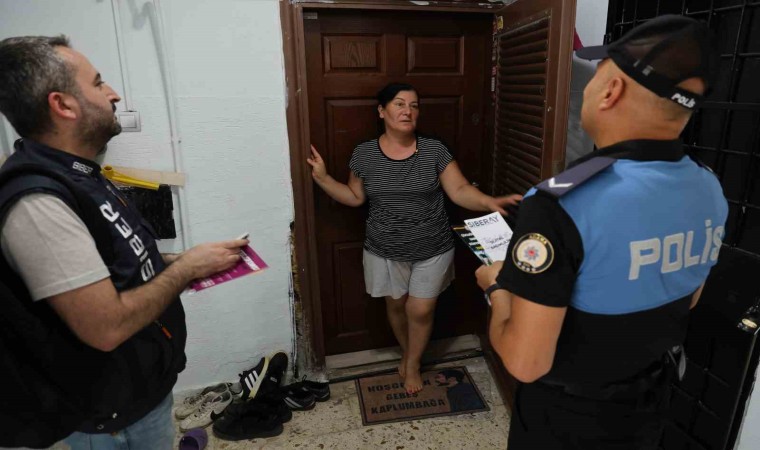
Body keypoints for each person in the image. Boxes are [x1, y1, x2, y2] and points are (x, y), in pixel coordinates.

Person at [475, 16, 727, 449]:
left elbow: (525, 362)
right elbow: (687, 295)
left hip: (567, 422)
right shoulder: (708, 187)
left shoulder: (562, 203)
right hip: (649, 407)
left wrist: (496, 287)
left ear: (611, 91)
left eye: (595, 77)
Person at [0, 35, 248, 449]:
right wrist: (187, 270)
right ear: (63, 105)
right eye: (98, 83)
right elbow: (106, 327)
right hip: (109, 420)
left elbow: (117, 259)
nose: (113, 93)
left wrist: (183, 259)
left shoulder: (80, 173)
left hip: (142, 393)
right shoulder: (38, 202)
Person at [307, 82, 521, 394]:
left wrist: (489, 202)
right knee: (396, 307)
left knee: (420, 310)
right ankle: (409, 354)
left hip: (433, 247)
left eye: (414, 105)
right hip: (384, 248)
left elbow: (460, 190)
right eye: (399, 104)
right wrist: (324, 178)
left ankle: (413, 364)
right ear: (381, 111)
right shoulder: (364, 154)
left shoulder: (434, 150)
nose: (408, 111)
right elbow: (355, 196)